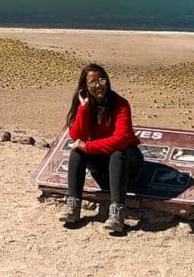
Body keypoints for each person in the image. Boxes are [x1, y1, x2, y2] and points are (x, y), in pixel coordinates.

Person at [58, 63, 143, 232]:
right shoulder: (84, 105)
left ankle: (117, 212)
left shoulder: (120, 104)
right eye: (92, 83)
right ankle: (73, 206)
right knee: (77, 153)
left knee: (117, 153)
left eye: (101, 80)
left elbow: (121, 139)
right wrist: (83, 109)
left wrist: (88, 146)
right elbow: (76, 136)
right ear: (85, 87)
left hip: (127, 160)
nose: (98, 86)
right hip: (103, 159)